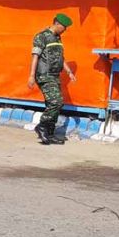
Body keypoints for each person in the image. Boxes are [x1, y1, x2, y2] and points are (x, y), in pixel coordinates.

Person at [28, 13, 77, 145]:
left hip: (54, 75)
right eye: (64, 27)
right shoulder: (41, 36)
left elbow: (60, 57)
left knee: (55, 104)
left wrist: (69, 71)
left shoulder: (57, 38)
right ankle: (42, 126)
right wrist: (32, 76)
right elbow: (35, 56)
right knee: (56, 101)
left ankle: (49, 133)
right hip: (44, 75)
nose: (65, 30)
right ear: (56, 23)